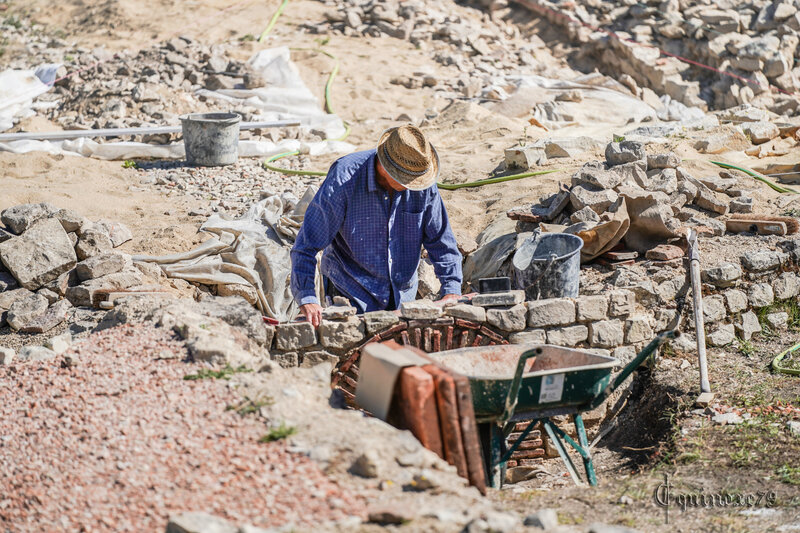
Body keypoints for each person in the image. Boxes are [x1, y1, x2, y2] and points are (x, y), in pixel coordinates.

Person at [290, 125, 463, 326]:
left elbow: (441, 242)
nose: (412, 186)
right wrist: (307, 298)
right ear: (384, 165)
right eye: (406, 180)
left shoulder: (421, 184)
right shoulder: (344, 180)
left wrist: (451, 289)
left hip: (402, 297)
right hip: (351, 293)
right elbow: (306, 245)